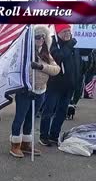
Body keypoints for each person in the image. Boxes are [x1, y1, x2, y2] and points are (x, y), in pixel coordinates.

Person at [9, 25, 60, 157]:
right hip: (25, 92)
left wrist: (41, 66)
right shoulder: (23, 52)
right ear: (32, 38)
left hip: (41, 92)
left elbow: (56, 70)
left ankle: (26, 144)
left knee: (30, 120)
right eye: (37, 36)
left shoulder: (46, 54)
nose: (40, 39)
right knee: (19, 118)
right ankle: (15, 145)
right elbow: (15, 71)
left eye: (43, 37)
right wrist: (26, 86)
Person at [39, 24, 80, 146]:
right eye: (64, 31)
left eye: (69, 31)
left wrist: (76, 82)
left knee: (62, 112)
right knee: (48, 111)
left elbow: (77, 65)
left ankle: (54, 135)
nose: (68, 33)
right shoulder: (52, 44)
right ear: (58, 33)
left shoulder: (74, 46)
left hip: (69, 86)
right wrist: (70, 44)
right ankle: (43, 136)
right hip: (54, 85)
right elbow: (58, 57)